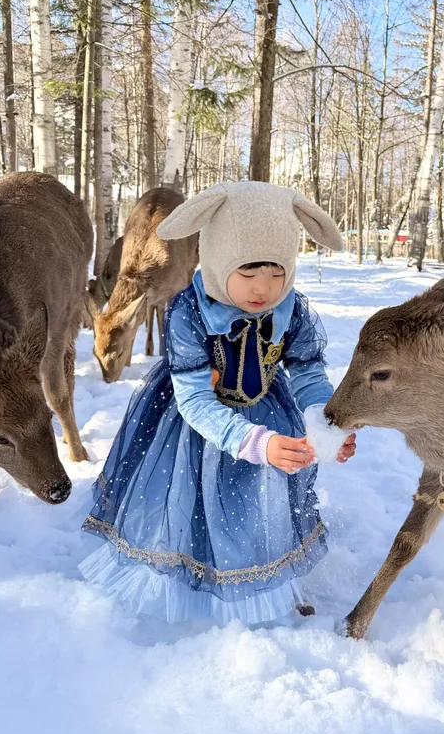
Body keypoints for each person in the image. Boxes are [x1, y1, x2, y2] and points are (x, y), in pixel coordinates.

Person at [80, 181, 356, 625]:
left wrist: (323, 425)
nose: (263, 288)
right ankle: (199, 581)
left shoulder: (291, 310)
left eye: (277, 271)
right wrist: (252, 440)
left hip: (268, 406)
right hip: (197, 423)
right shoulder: (190, 311)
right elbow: (193, 398)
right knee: (194, 498)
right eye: (247, 272)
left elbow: (307, 372)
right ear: (217, 256)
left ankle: (262, 577)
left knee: (261, 503)